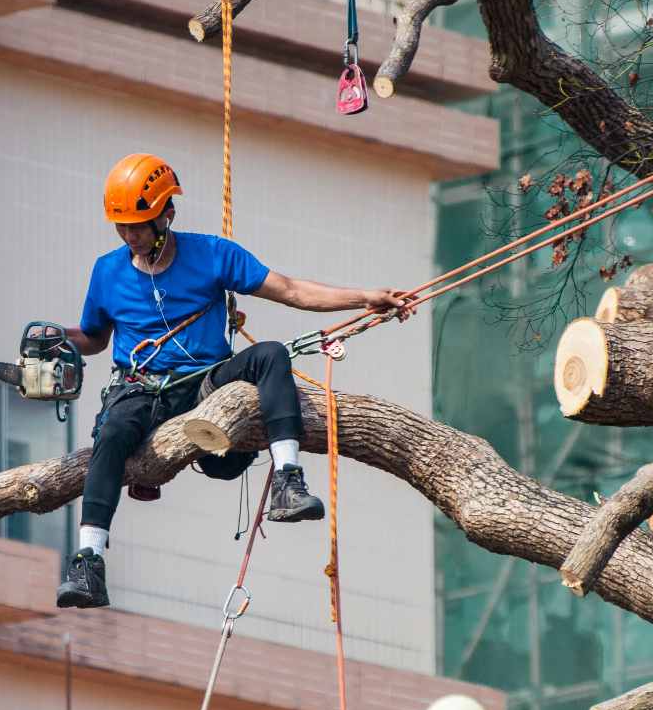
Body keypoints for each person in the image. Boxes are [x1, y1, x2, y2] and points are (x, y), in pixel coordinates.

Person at [55, 153, 411, 609]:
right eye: (122, 227)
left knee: (270, 355)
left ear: (167, 214)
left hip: (205, 384)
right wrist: (58, 337)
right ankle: (89, 562)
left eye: (139, 225)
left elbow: (292, 290)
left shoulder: (211, 255)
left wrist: (365, 298)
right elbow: (95, 338)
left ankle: (288, 480)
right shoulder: (107, 271)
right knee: (112, 434)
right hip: (142, 388)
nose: (131, 235)